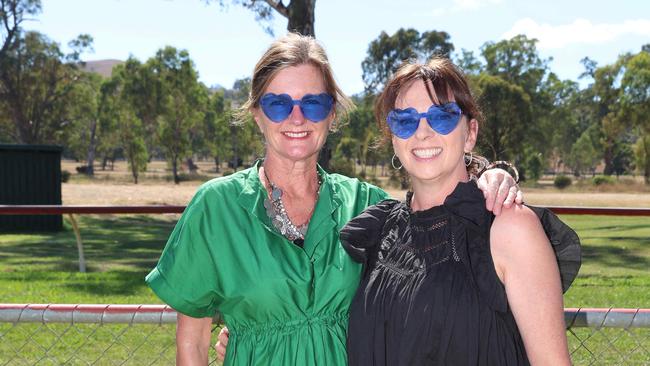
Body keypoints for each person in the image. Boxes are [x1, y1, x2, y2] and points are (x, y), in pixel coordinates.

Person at [146, 33, 524, 366]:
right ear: (258, 114)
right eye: (278, 104)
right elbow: (193, 344)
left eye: (313, 104)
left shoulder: (368, 208)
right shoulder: (216, 208)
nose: (297, 118)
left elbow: (439, 213)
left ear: (331, 114)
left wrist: (494, 172)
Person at [339, 58, 581, 365]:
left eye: (441, 117)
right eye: (405, 120)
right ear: (393, 138)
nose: (422, 132)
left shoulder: (509, 228)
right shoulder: (380, 231)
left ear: (470, 134)